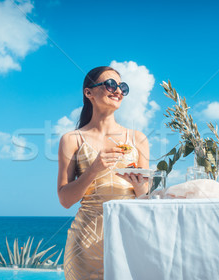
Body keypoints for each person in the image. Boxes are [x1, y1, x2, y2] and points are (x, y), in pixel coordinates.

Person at [57, 66, 150, 279]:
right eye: (110, 84)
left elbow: (146, 199)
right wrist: (93, 170)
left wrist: (138, 185)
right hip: (85, 246)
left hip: (129, 241)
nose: (118, 91)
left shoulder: (138, 139)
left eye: (122, 87)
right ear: (88, 92)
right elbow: (65, 199)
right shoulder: (71, 140)